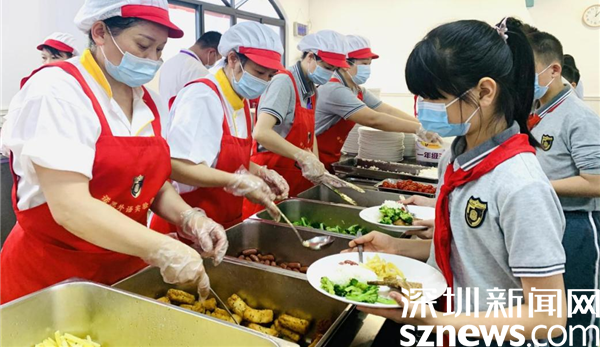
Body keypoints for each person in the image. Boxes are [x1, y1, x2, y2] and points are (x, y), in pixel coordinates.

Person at [0, 0, 227, 304]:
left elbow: (151, 185)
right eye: (143, 46)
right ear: (100, 32)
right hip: (53, 278)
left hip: (123, 270)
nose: (152, 60)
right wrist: (161, 247)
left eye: (159, 50)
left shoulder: (148, 102)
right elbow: (70, 207)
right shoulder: (58, 91)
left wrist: (189, 217)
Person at [346, 18, 567, 345]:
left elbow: (548, 317)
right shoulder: (456, 156)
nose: (422, 109)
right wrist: (398, 247)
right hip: (450, 324)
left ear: (485, 91)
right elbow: (469, 251)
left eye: (434, 97)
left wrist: (434, 320)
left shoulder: (520, 185)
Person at [150, 22, 289, 233]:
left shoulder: (239, 98)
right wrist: (237, 181)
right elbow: (176, 166)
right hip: (189, 224)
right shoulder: (202, 97)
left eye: (270, 76)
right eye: (259, 72)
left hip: (222, 221)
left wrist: (261, 172)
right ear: (233, 59)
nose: (264, 82)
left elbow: (224, 158)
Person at [527, 30, 600, 344]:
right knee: (547, 309)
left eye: (527, 71)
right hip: (546, 219)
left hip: (576, 225)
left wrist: (534, 186)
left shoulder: (579, 116)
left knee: (576, 310)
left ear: (554, 70)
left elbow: (595, 182)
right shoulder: (536, 109)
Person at [247, 30, 351, 218]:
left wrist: (318, 166)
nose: (330, 74)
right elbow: (261, 132)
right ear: (310, 57)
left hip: (295, 179)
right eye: (328, 67)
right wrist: (302, 156)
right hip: (272, 177)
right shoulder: (283, 82)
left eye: (334, 69)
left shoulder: (311, 89)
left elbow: (310, 132)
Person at [315, 34, 441, 171]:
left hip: (327, 158)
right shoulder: (334, 90)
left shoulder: (357, 90)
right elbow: (373, 119)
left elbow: (387, 110)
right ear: (345, 64)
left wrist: (424, 126)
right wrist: (419, 129)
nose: (367, 68)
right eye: (364, 64)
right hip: (311, 158)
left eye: (369, 64)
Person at [159, 31, 222, 107]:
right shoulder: (199, 70)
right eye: (217, 59)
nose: (215, 62)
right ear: (211, 52)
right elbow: (200, 105)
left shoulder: (168, 62)